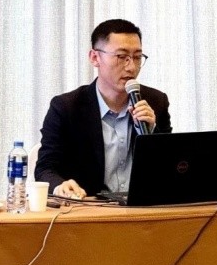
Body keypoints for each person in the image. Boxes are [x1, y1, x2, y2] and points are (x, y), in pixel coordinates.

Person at [35, 19, 172, 198]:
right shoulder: (66, 108)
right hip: (88, 208)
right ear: (95, 58)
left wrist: (152, 133)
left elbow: (170, 169)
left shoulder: (155, 102)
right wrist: (60, 186)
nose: (131, 67)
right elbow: (45, 168)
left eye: (137, 57)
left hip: (140, 209)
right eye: (121, 56)